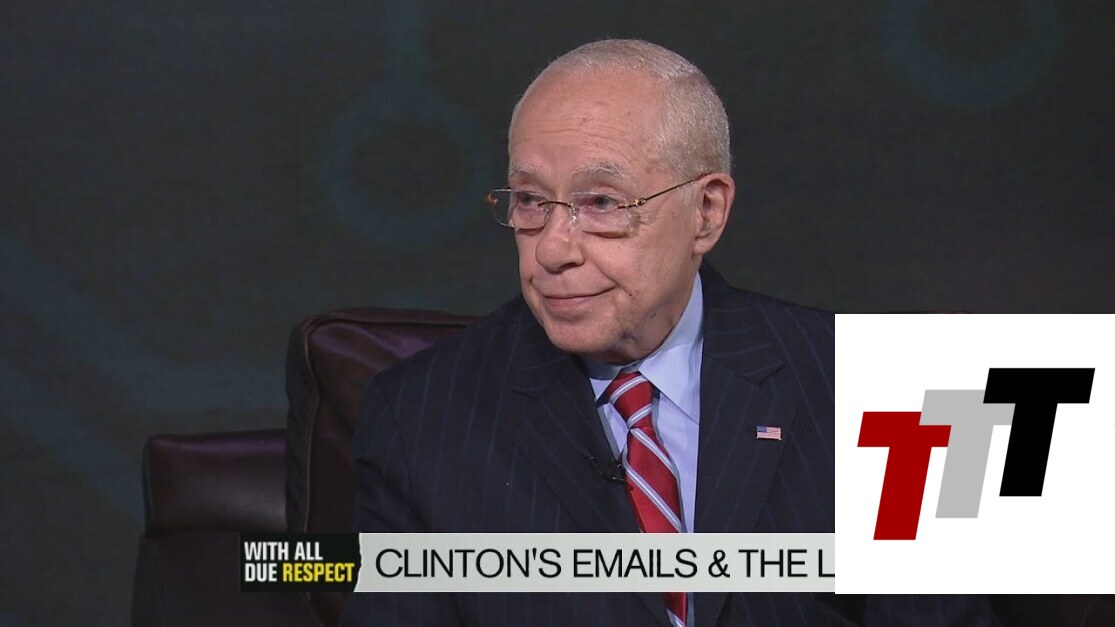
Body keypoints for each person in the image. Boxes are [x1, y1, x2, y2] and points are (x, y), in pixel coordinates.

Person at [342, 39, 997, 627]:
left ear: (705, 212)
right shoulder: (421, 416)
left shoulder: (877, 389)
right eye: (532, 202)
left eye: (602, 203)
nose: (552, 249)